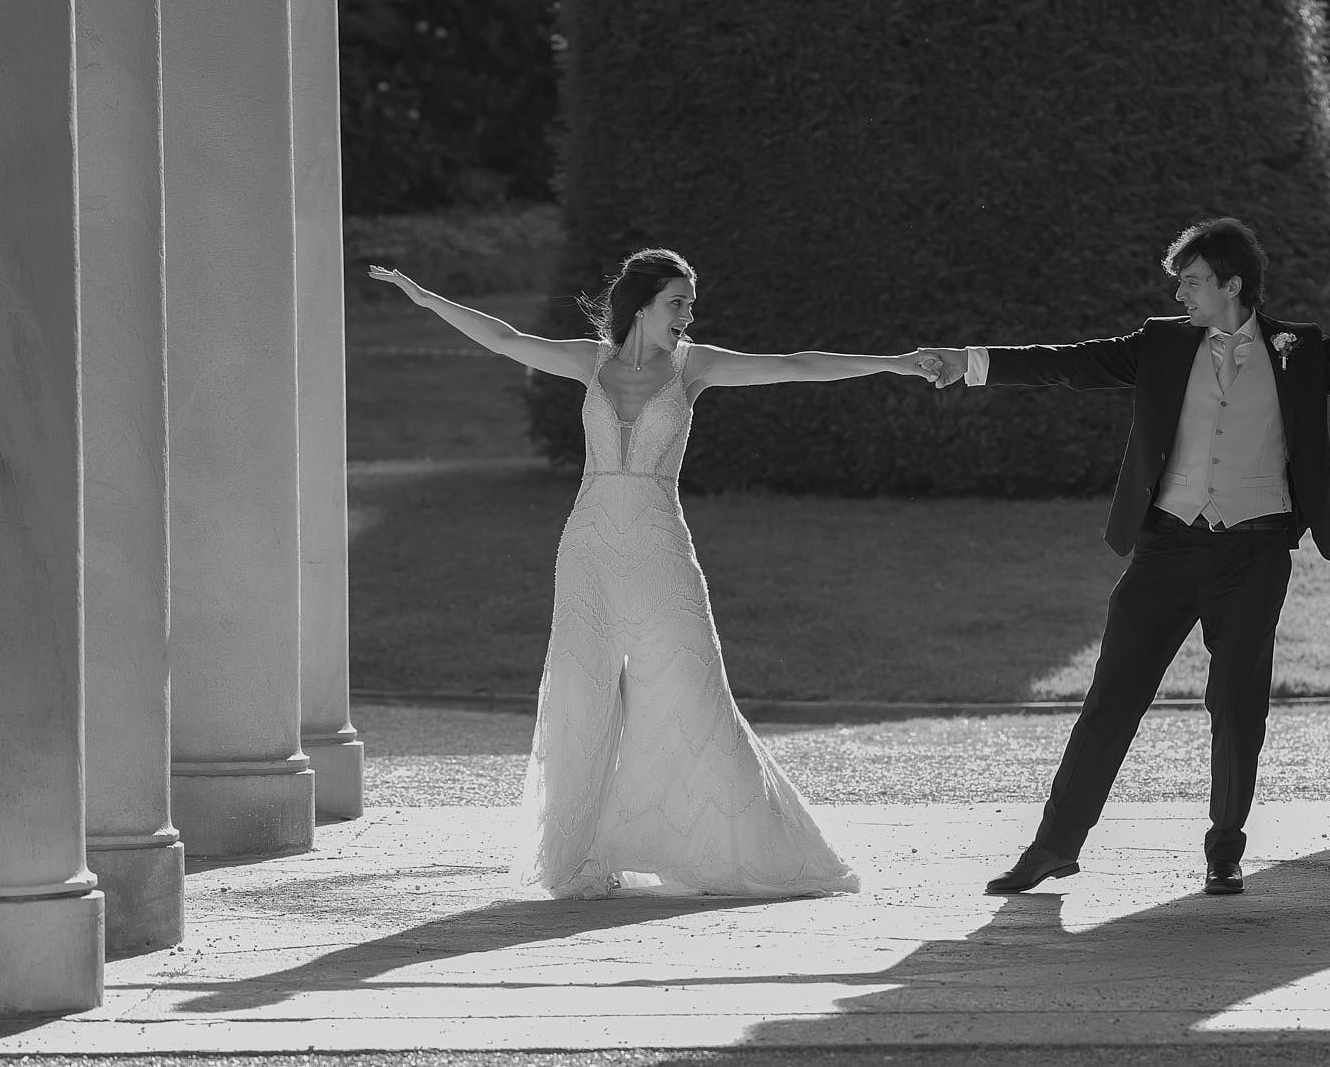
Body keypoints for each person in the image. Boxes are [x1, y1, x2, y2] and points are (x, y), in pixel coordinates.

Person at [368, 248, 939, 898]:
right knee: (585, 692)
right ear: (642, 304)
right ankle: (586, 852)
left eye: (690, 304)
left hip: (661, 544)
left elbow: (794, 364)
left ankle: (723, 846)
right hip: (587, 547)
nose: (688, 315)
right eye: (678, 302)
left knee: (689, 686)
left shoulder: (693, 365)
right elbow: (505, 339)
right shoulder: (590, 361)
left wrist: (894, 361)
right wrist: (423, 296)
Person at [921, 218, 1330, 896]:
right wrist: (966, 362)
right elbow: (1069, 363)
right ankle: (1054, 846)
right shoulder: (1161, 343)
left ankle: (1224, 850)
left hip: (1254, 553)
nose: (1180, 293)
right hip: (1166, 550)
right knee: (1111, 698)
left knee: (1238, 708)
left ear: (1232, 285)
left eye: (1193, 281)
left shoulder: (1299, 349)